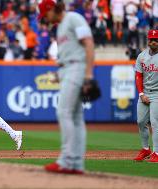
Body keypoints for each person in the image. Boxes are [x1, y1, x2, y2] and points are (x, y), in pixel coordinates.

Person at [38, 0, 95, 174]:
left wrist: (88, 75)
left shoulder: (73, 18)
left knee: (64, 112)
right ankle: (76, 164)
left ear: (51, 9)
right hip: (68, 69)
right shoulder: (61, 26)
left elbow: (89, 43)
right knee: (76, 117)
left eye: (45, 15)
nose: (45, 19)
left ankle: (66, 161)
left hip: (77, 68)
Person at [133, 29, 158, 163]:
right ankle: (145, 149)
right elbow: (138, 76)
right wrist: (141, 94)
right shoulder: (142, 56)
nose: (153, 42)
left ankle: (156, 152)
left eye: (156, 40)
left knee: (155, 123)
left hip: (157, 94)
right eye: (151, 39)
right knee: (141, 122)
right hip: (145, 94)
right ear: (148, 41)